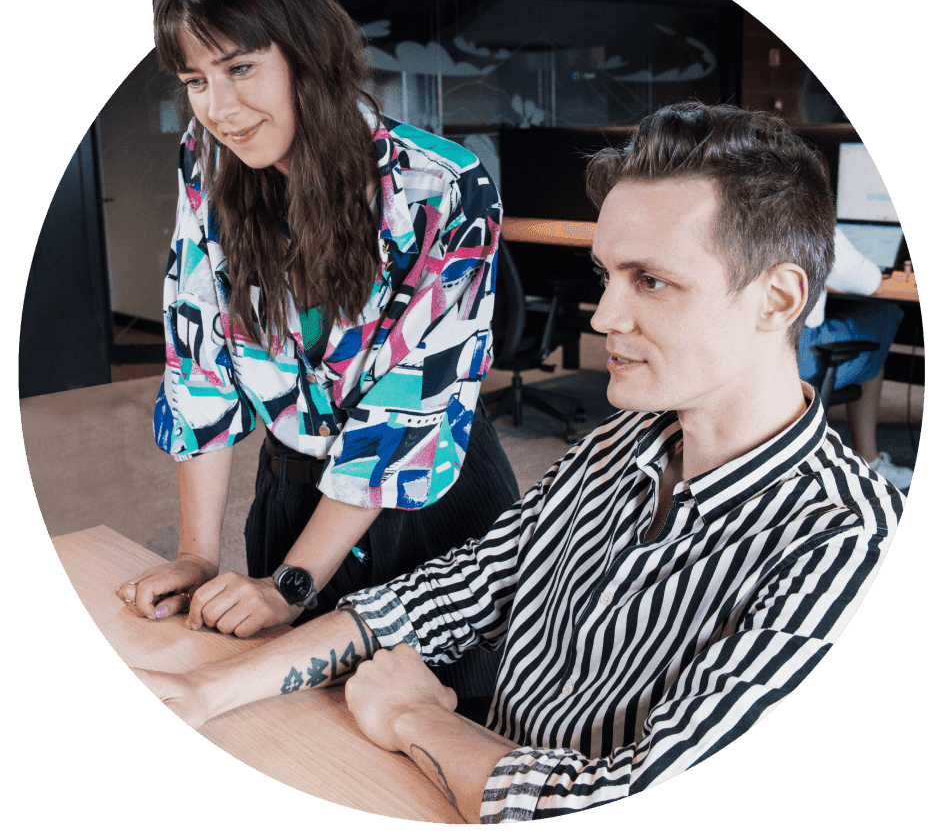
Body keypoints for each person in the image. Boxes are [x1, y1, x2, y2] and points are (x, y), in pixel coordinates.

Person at [136, 103, 904, 823]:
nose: (603, 317)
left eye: (653, 281)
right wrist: (201, 693)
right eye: (608, 276)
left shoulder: (850, 545)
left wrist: (414, 718)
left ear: (778, 299)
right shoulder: (614, 447)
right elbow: (449, 594)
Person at [114, 0, 520, 722]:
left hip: (430, 507)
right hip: (293, 494)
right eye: (195, 79)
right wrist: (199, 557)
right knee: (295, 730)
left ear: (306, 49)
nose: (219, 108)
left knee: (438, 727)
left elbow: (402, 417)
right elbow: (198, 361)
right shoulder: (207, 166)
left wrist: (291, 585)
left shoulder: (444, 189)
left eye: (239, 67)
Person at [797, 225, 912, 489]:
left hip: (735, 358)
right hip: (794, 361)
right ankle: (869, 459)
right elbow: (868, 281)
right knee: (884, 314)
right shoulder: (807, 215)